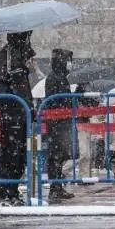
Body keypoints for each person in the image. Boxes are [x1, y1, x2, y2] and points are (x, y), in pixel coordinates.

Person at [0, 31, 35, 206]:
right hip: (12, 112)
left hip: (18, 111)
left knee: (18, 155)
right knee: (10, 153)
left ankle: (12, 191)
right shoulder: (10, 53)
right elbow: (14, 81)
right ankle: (5, 192)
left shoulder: (16, 54)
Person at [43, 49, 76, 202]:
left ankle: (58, 186)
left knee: (61, 156)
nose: (70, 63)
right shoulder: (54, 78)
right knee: (55, 156)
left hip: (62, 123)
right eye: (69, 60)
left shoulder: (61, 77)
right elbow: (55, 100)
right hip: (56, 124)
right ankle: (54, 189)